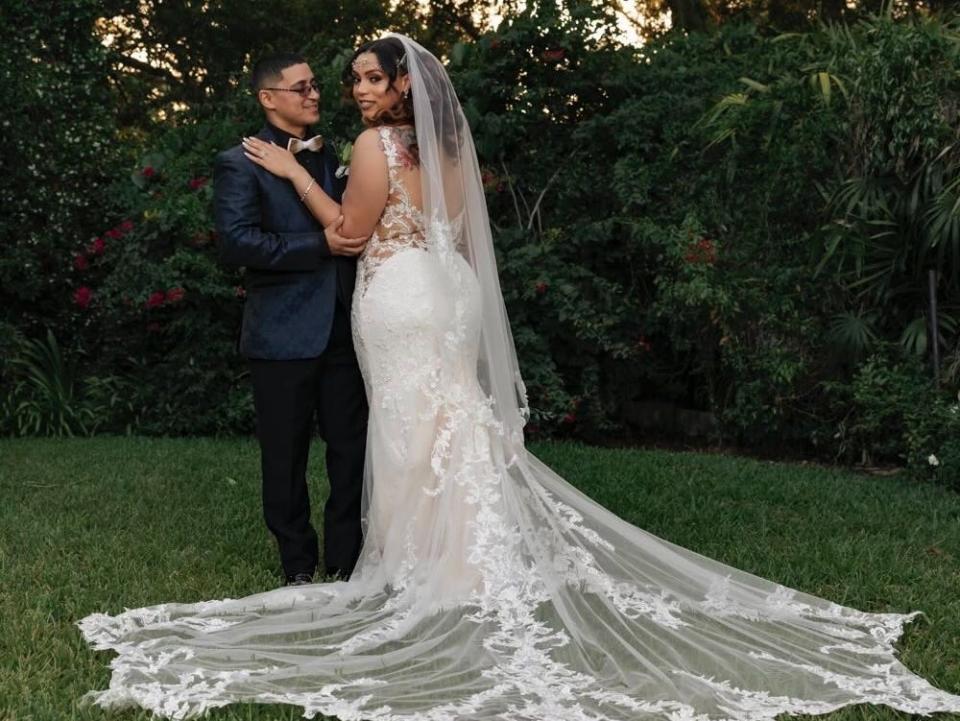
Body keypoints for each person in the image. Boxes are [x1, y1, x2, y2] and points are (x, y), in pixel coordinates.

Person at [79, 35, 960, 721]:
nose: (354, 91)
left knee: (409, 427)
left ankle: (421, 566)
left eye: (367, 79)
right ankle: (461, 557)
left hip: (402, 299)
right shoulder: (452, 153)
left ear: (400, 89)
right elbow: (455, 237)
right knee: (448, 420)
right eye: (345, 81)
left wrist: (297, 180)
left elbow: (349, 237)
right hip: (449, 292)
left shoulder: (376, 147)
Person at [214, 52, 369, 585]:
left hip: (346, 326)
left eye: (315, 86)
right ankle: (298, 565)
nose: (314, 95)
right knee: (285, 458)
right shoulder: (239, 162)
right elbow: (237, 244)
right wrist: (318, 244)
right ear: (267, 98)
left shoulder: (337, 156)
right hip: (281, 333)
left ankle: (347, 561)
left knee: (351, 452)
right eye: (301, 88)